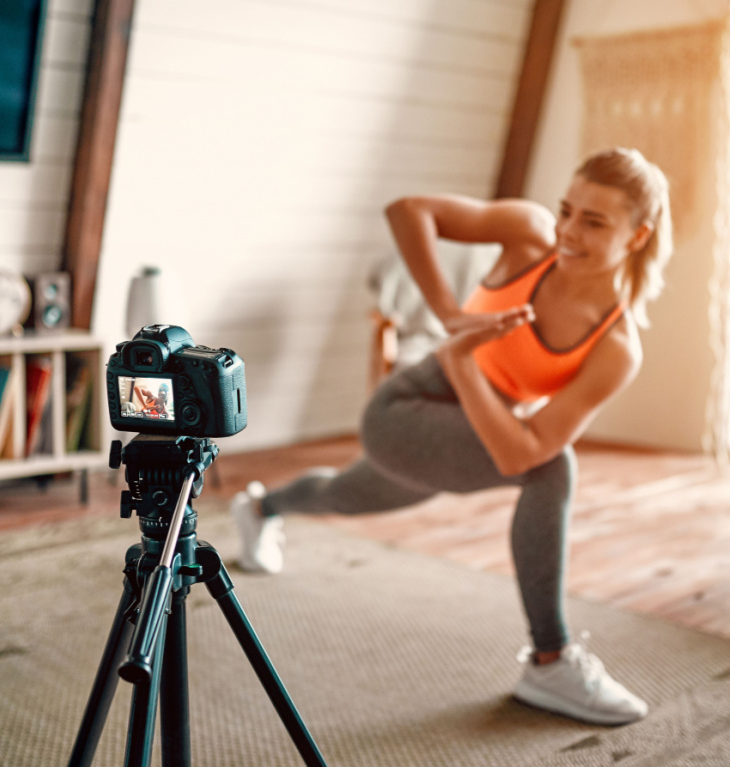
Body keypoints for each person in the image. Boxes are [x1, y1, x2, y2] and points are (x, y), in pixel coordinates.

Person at [231, 147, 672, 726]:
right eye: (567, 210)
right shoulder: (528, 235)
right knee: (553, 468)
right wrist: (448, 316)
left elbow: (518, 447)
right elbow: (409, 210)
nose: (568, 231)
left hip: (468, 425)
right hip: (406, 408)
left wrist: (465, 362)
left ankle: (261, 507)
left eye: (594, 222)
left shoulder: (615, 348)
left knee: (350, 494)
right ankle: (550, 656)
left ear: (637, 237)